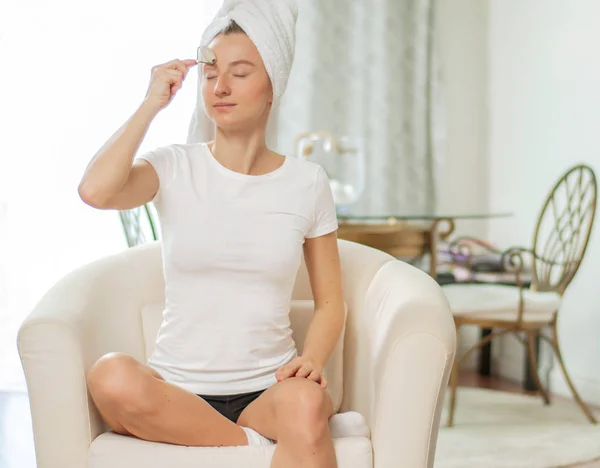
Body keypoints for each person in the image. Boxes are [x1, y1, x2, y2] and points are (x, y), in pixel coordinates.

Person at [77, 2, 345, 467]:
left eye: (240, 73)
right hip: (175, 393)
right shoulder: (175, 166)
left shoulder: (307, 182)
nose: (220, 87)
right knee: (110, 376)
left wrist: (314, 361)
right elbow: (96, 191)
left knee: (307, 402)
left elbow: (330, 302)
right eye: (211, 73)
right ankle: (253, 448)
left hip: (268, 391)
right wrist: (151, 103)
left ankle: (242, 437)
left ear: (272, 87)